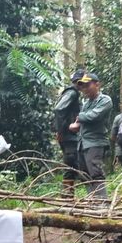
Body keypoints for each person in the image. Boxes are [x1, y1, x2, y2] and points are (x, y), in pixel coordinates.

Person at [69, 72, 113, 200]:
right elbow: (81, 122)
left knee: (96, 173)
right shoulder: (86, 103)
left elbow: (95, 115)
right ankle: (92, 202)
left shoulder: (105, 100)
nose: (84, 89)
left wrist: (80, 118)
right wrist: (76, 125)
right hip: (83, 143)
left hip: (95, 142)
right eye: (82, 86)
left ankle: (102, 203)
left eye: (87, 85)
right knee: (85, 175)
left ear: (97, 84)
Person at [53, 69, 85, 197]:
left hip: (70, 136)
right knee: (71, 165)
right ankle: (67, 197)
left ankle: (68, 197)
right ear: (79, 82)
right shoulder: (72, 93)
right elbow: (59, 109)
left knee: (73, 165)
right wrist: (60, 130)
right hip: (69, 136)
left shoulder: (72, 93)